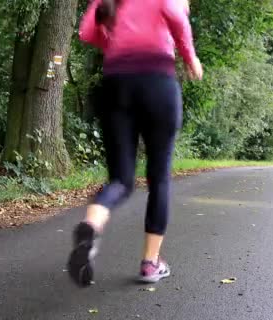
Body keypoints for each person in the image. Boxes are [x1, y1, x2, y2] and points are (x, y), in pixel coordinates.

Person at [67, 0, 203, 287]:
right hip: (157, 83)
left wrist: (117, 45)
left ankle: (90, 226)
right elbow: (177, 15)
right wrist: (190, 58)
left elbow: (88, 32)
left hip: (116, 85)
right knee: (159, 177)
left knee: (120, 179)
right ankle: (150, 264)